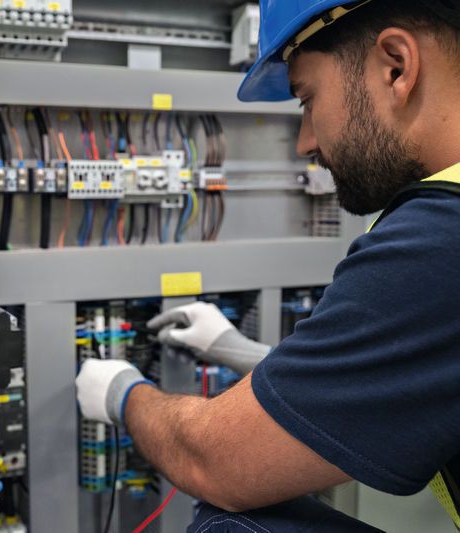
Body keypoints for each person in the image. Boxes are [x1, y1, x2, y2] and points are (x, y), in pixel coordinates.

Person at [75, 1, 460, 531]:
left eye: (307, 99)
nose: (306, 142)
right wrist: (240, 352)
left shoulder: (438, 238)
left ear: (396, 65)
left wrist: (122, 394)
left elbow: (216, 464)